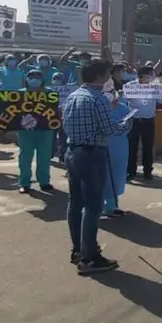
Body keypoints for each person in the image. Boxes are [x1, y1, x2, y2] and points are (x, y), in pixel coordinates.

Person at [61, 59, 131, 275]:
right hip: (92, 154)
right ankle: (90, 258)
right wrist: (126, 123)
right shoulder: (98, 99)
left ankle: (78, 250)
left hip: (73, 151)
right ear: (100, 77)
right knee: (93, 206)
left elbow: (65, 124)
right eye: (108, 74)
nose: (111, 78)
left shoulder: (73, 96)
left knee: (75, 203)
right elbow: (110, 130)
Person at [16, 69, 56, 194]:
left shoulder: (50, 93)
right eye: (31, 77)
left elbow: (56, 110)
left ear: (42, 79)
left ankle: (44, 182)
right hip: (25, 131)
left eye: (38, 77)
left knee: (44, 157)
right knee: (25, 157)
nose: (35, 79)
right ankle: (24, 183)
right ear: (26, 79)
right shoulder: (19, 93)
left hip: (45, 131)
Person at [126, 66, 162, 181]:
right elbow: (125, 100)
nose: (151, 77)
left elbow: (161, 101)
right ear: (141, 76)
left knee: (148, 147)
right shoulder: (130, 86)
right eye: (149, 75)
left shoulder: (155, 87)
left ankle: (147, 171)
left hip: (148, 120)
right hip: (134, 120)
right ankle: (131, 171)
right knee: (132, 147)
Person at [103, 86, 133, 218]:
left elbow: (129, 126)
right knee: (100, 175)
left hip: (119, 146)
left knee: (116, 174)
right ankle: (96, 206)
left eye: (111, 92)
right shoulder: (99, 108)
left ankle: (111, 205)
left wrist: (117, 129)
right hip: (101, 145)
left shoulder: (124, 109)